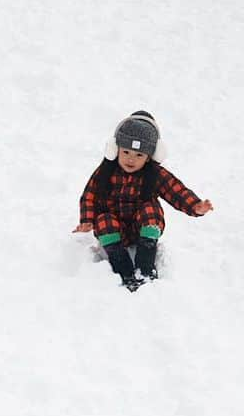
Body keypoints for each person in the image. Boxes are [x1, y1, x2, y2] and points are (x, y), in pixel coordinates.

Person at [73, 111, 214, 291]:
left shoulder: (154, 174)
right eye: (126, 152)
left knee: (151, 211)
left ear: (150, 157)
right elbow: (90, 196)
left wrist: (195, 206)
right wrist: (86, 221)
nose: (131, 159)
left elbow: (175, 190)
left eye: (139, 155)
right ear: (115, 150)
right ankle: (123, 269)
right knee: (104, 220)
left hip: (143, 229)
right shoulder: (105, 171)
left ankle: (145, 266)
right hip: (115, 232)